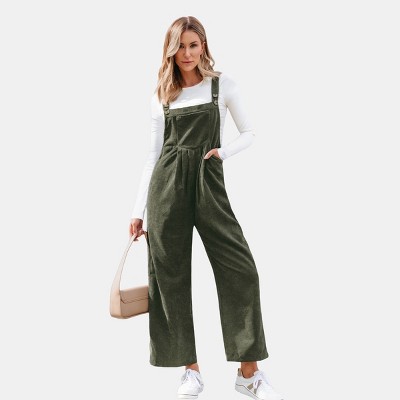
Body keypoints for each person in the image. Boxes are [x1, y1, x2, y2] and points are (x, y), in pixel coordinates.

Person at [129, 16, 284, 400]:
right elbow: (152, 155)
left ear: (203, 46)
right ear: (170, 50)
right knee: (170, 277)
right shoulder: (161, 95)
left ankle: (249, 374)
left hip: (208, 183)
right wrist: (138, 210)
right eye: (180, 46)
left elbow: (249, 132)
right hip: (167, 187)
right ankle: (190, 370)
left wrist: (222, 153)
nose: (187, 53)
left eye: (193, 45)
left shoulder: (222, 86)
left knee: (241, 270)